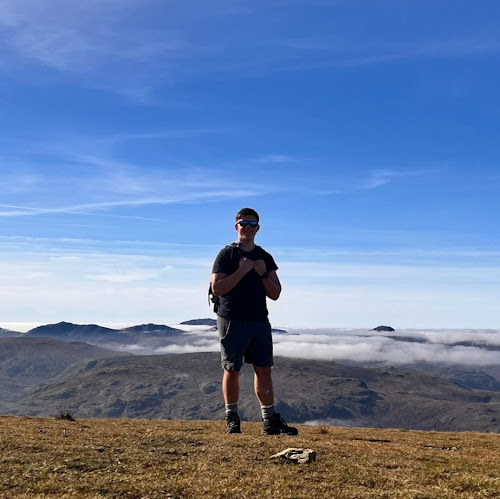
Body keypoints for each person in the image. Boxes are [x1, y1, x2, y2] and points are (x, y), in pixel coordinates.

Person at [211, 207, 298, 435]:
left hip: (259, 320)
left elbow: (275, 293)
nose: (248, 228)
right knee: (232, 368)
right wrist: (241, 271)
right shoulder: (226, 255)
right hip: (232, 319)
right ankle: (232, 419)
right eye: (244, 223)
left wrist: (262, 273)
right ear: (236, 226)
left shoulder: (264, 257)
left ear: (258, 228)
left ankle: (269, 422)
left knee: (264, 369)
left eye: (252, 224)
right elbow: (217, 288)